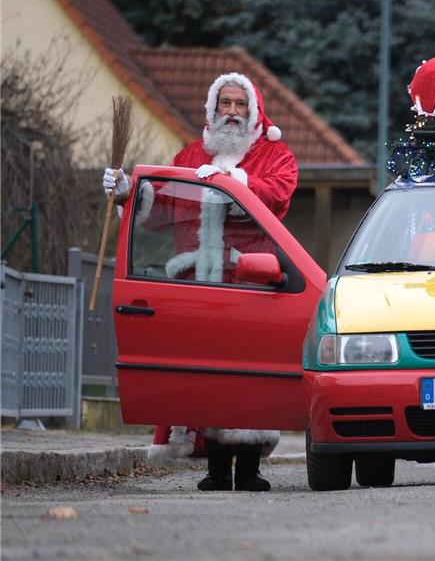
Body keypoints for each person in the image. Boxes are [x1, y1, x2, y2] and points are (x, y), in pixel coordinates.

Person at [102, 73, 297, 491]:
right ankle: (215, 469)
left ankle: (248, 469)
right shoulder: (190, 156)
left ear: (254, 110)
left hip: (249, 286)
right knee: (208, 376)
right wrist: (127, 193)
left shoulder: (275, 155)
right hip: (197, 290)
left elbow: (279, 196)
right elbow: (161, 208)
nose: (232, 112)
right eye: (225, 103)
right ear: (212, 109)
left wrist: (234, 182)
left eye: (240, 104)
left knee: (247, 378)